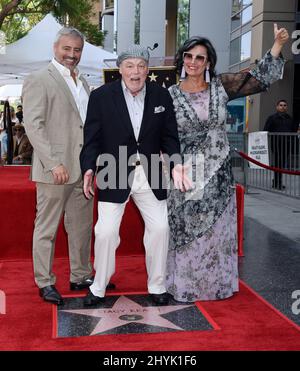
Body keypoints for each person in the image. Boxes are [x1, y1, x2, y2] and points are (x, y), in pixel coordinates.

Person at [166, 24, 289, 302]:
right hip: (185, 173)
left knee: (216, 229)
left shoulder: (222, 86)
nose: (194, 62)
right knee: (187, 228)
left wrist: (278, 45)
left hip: (218, 172)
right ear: (182, 59)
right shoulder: (169, 94)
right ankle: (186, 284)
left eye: (200, 57)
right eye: (189, 56)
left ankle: (216, 285)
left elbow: (259, 78)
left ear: (208, 62)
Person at [80, 45, 190, 307]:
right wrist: (88, 168)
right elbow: (92, 139)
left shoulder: (161, 96)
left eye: (141, 66)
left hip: (151, 171)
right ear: (120, 69)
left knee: (160, 228)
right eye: (129, 65)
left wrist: (176, 163)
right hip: (113, 170)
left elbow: (170, 136)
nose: (136, 71)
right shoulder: (101, 96)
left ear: (147, 69)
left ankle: (157, 286)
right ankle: (98, 287)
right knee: (106, 231)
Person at [22, 27, 97, 305]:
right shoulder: (39, 79)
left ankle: (80, 275)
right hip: (55, 169)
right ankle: (45, 281)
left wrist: (92, 164)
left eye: (77, 50)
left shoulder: (84, 82)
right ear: (55, 48)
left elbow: (86, 125)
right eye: (67, 49)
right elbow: (33, 125)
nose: (72, 55)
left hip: (82, 169)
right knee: (47, 228)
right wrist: (53, 162)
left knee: (81, 226)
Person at [264, 100, 298, 189]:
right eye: (281, 105)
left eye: (285, 105)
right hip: (276, 144)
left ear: (286, 107)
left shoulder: (289, 118)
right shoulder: (272, 118)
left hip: (286, 145)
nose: (283, 107)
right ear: (277, 107)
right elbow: (266, 129)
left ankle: (277, 181)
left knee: (282, 164)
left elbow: (293, 130)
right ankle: (277, 182)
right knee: (278, 163)